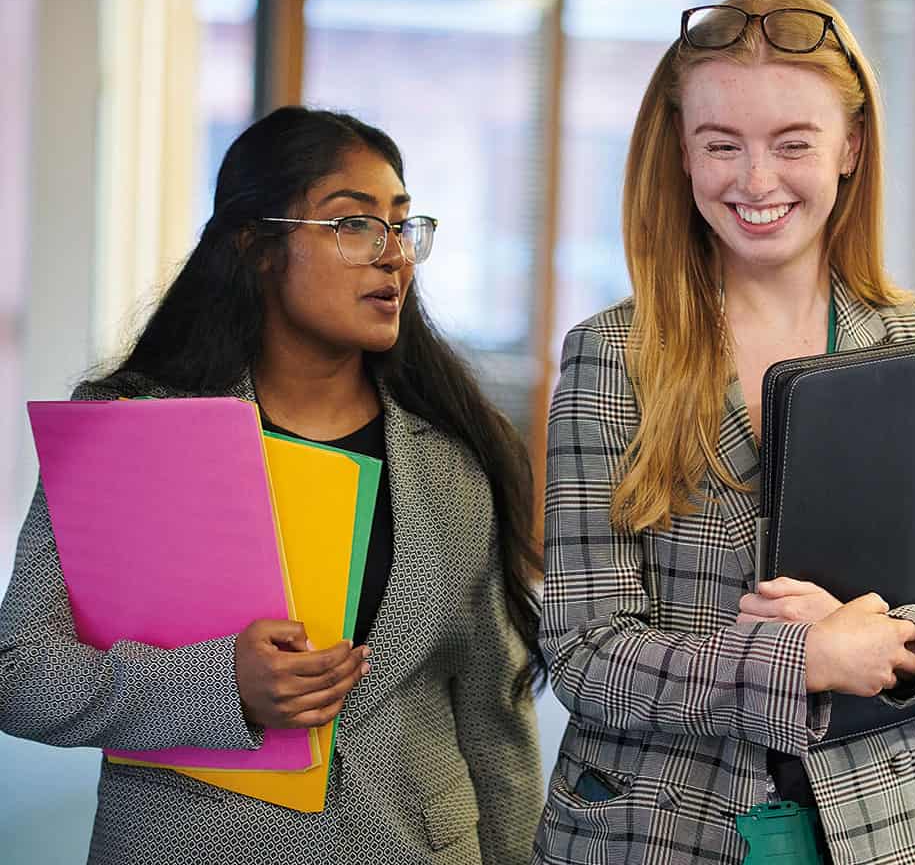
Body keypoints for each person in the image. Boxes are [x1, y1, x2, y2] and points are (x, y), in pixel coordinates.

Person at [534, 0, 915, 865]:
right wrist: (805, 661)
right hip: (658, 829)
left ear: (851, 147)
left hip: (894, 833)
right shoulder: (610, 356)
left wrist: (891, 646)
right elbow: (586, 656)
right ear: (680, 152)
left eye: (793, 144)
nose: (755, 181)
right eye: (721, 145)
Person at [0, 107, 544, 864]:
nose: (394, 258)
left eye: (401, 225)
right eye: (354, 225)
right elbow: (19, 672)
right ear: (257, 246)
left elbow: (495, 717)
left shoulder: (458, 456)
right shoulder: (129, 429)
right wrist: (220, 683)